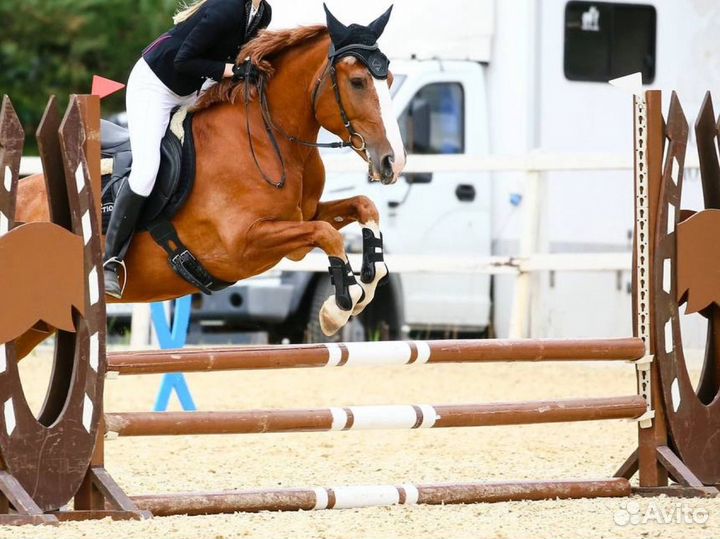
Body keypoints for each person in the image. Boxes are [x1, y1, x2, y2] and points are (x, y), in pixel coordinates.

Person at [104, 0, 272, 298]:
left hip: (193, 88)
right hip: (155, 86)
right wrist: (234, 69)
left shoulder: (262, 13)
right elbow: (184, 59)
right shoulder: (227, 9)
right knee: (146, 171)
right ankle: (110, 260)